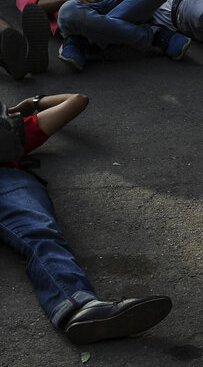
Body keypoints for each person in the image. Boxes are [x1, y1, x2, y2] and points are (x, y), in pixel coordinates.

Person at [0, 93, 172, 345]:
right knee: (41, 236)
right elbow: (76, 100)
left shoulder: (15, 132)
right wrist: (32, 104)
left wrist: (27, 107)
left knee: (41, 235)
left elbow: (77, 100)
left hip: (9, 183)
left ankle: (79, 308)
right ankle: (77, 305)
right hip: (8, 182)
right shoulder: (15, 132)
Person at [55, 0, 192, 70]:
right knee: (68, 9)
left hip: (117, 3)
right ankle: (152, 35)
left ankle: (88, 39)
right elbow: (38, 7)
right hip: (80, 12)